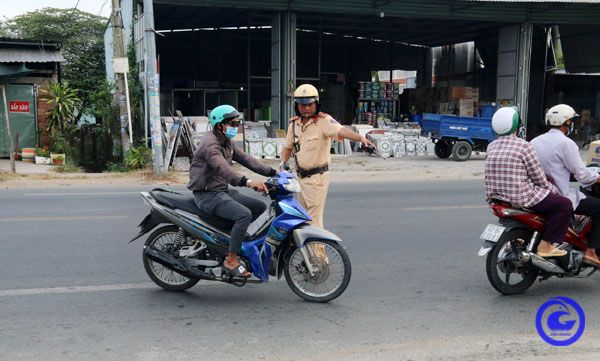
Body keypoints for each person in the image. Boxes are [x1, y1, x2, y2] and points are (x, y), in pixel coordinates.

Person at [279, 83, 374, 259]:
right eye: (302, 105)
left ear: (316, 104)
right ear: (297, 106)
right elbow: (287, 147)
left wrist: (360, 137)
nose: (306, 108)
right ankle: (308, 257)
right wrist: (282, 164)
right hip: (299, 179)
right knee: (301, 220)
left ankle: (319, 261)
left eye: (309, 104)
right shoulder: (294, 125)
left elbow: (342, 131)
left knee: (314, 221)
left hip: (317, 178)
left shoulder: (324, 121)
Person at [187, 104, 277, 277]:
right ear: (219, 125)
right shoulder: (210, 144)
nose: (235, 127)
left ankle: (236, 243)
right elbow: (223, 168)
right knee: (243, 215)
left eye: (237, 123)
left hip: (221, 190)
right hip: (207, 194)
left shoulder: (226, 142)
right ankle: (231, 259)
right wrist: (248, 182)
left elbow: (247, 159)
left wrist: (273, 173)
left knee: (259, 207)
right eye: (232, 123)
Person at [485, 106, 572, 258]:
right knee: (564, 205)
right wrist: (554, 190)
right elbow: (538, 177)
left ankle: (524, 238)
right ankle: (546, 245)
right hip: (522, 197)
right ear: (516, 127)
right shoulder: (524, 146)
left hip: (497, 198)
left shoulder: (491, 146)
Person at [531, 104, 600, 267]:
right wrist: (597, 178)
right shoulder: (566, 143)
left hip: (539, 194)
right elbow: (582, 175)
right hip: (560, 195)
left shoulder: (534, 141)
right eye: (571, 121)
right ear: (567, 123)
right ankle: (591, 251)